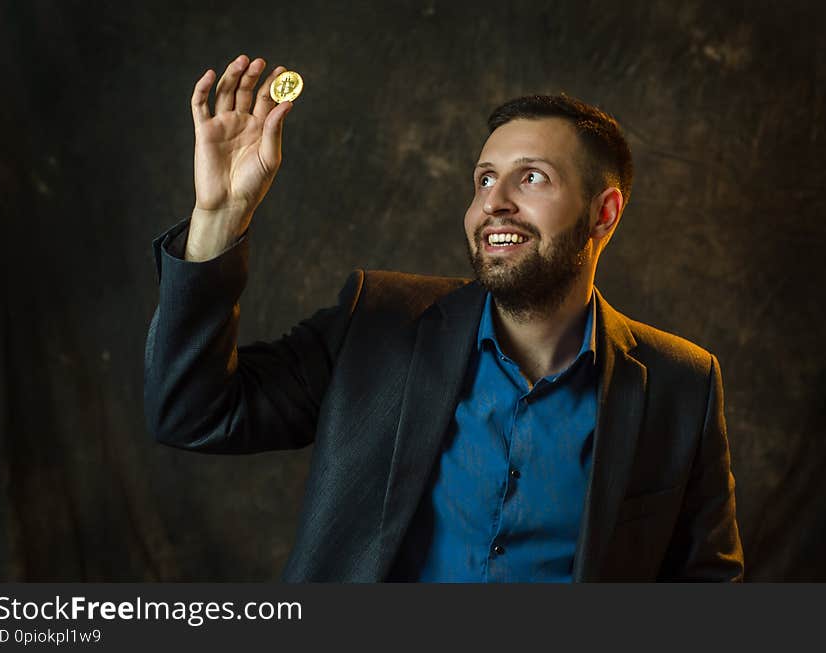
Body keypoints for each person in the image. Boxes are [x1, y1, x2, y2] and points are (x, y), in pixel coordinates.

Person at [144, 53, 744, 582]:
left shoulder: (680, 384)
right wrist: (218, 214)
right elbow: (192, 414)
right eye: (484, 179)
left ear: (604, 213)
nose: (494, 202)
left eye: (531, 177)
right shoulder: (374, 323)